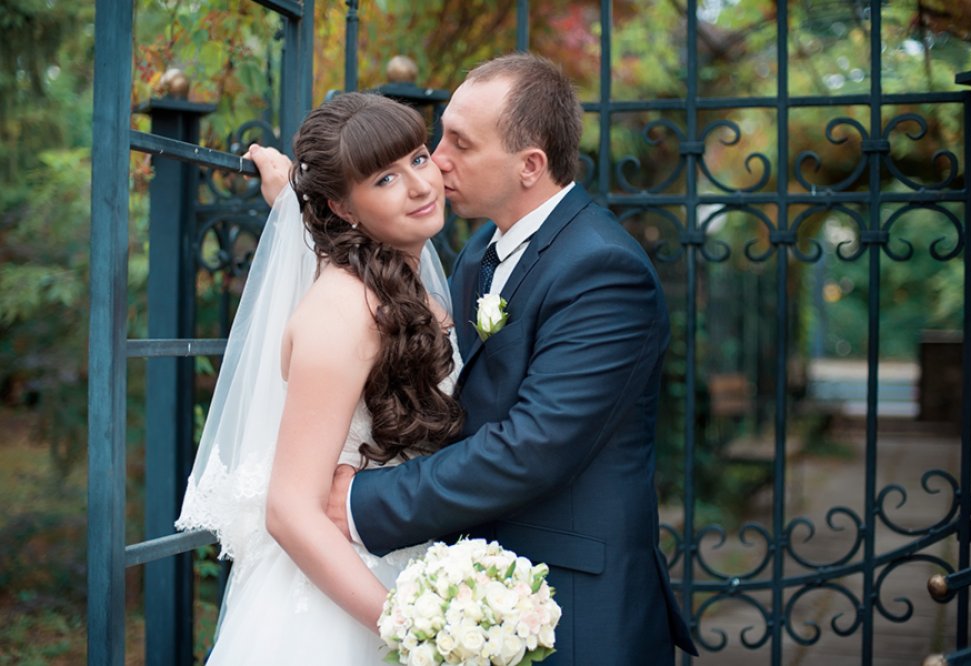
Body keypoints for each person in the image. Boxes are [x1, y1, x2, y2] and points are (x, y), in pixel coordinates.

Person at [325, 53, 700, 664]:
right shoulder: (481, 251)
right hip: (481, 588)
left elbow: (534, 445)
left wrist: (361, 501)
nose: (437, 158)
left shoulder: (603, 270)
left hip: (574, 605)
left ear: (530, 165)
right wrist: (311, 203)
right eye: (441, 136)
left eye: (461, 143)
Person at [175, 92, 464, 664]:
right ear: (342, 207)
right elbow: (289, 510)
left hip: (408, 561)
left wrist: (286, 197)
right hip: (340, 608)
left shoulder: (398, 287)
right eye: (385, 178)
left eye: (418, 158)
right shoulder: (341, 312)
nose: (420, 185)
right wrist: (410, 628)